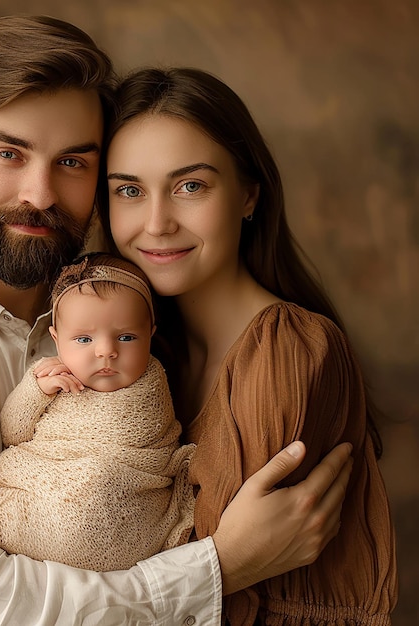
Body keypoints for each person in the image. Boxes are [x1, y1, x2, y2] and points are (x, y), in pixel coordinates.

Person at [0, 15, 353, 626]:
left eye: (72, 162)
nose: (41, 192)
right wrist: (220, 567)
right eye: (8, 152)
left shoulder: (139, 311)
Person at [97, 67, 398, 624]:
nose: (157, 223)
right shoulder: (137, 353)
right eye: (130, 191)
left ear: (248, 196)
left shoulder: (287, 352)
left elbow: (209, 588)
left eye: (191, 186)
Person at [0, 252, 195, 571]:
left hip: (123, 498)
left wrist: (97, 478)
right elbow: (13, 432)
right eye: (84, 339)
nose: (106, 350)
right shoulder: (49, 377)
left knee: (101, 481)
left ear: (150, 335)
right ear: (57, 340)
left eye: (127, 337)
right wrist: (35, 391)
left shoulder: (151, 383)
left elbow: (150, 452)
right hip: (47, 487)